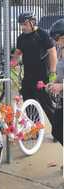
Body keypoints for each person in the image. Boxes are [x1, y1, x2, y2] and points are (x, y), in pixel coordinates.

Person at [11, 11, 58, 141]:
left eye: (25, 24)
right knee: (29, 104)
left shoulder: (42, 35)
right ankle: (35, 130)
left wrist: (53, 73)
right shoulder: (21, 37)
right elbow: (18, 52)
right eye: (21, 24)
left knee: (47, 104)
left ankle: (58, 130)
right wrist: (13, 62)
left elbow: (52, 52)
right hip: (28, 76)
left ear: (32, 22)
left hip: (43, 76)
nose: (23, 27)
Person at [47, 18, 64, 146]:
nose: (55, 42)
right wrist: (54, 83)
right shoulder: (60, 50)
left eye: (57, 38)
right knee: (57, 131)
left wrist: (61, 86)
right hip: (62, 99)